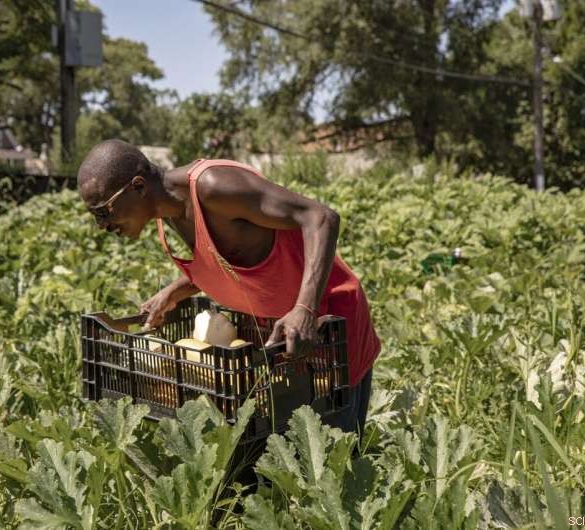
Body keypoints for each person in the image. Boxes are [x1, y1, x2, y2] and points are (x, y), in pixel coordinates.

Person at [77, 139, 380, 434]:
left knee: (334, 452)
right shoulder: (169, 212)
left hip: (328, 328)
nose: (102, 225)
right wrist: (175, 290)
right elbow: (230, 257)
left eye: (103, 211)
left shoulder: (214, 187)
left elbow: (320, 218)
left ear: (138, 187)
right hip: (281, 342)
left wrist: (304, 309)